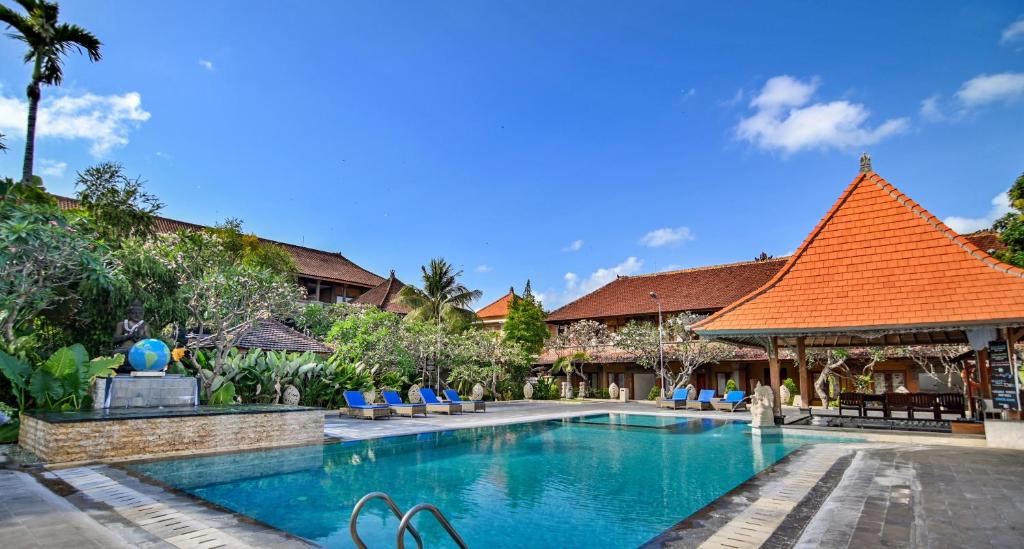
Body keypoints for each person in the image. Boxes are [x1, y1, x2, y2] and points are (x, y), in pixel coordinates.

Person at [113, 301, 151, 372]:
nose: (137, 315)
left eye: (140, 313)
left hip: (138, 350)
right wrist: (129, 336)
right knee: (117, 353)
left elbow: (149, 341)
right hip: (124, 350)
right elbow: (115, 339)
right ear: (129, 313)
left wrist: (140, 338)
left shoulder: (145, 325)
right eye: (134, 313)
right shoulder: (121, 324)